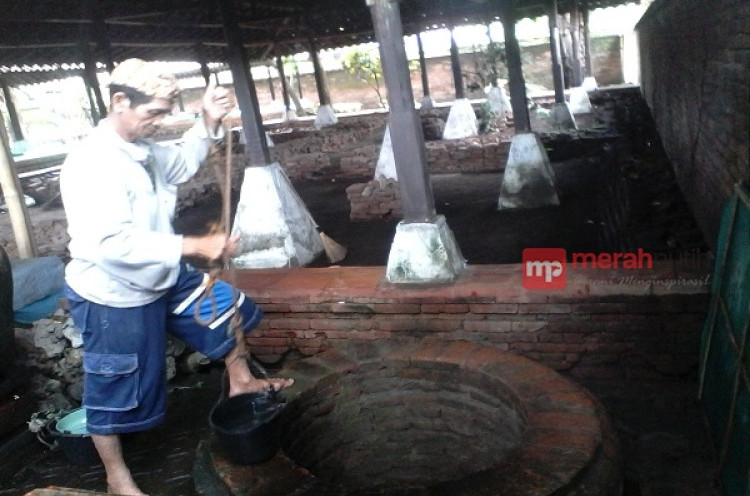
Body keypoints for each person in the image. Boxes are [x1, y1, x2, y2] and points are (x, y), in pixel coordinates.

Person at [60, 58, 293, 496]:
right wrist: (193, 246)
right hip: (114, 293)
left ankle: (241, 380)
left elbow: (181, 163)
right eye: (154, 113)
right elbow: (108, 244)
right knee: (114, 383)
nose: (160, 122)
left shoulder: (143, 150)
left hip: (163, 274)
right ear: (120, 101)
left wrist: (208, 118)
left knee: (226, 310)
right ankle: (117, 477)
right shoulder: (92, 163)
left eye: (166, 112)